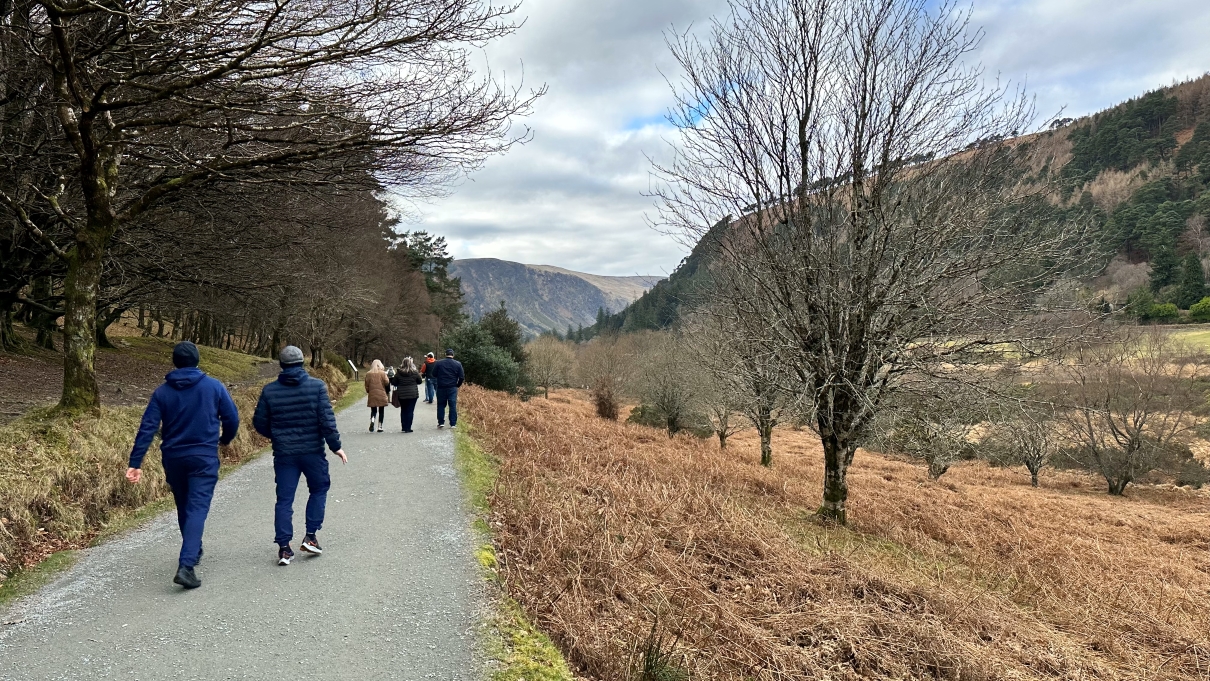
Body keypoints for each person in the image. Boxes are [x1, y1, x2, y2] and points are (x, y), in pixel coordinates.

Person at [126, 341, 239, 590]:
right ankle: (186, 566)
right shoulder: (214, 387)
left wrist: (136, 462)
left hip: (174, 458)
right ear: (197, 360)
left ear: (175, 363)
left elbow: (148, 427)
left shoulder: (162, 393)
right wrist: (225, 439)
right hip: (203, 457)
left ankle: (193, 548)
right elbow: (232, 417)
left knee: (184, 505)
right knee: (197, 508)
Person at [253, 346, 347, 566]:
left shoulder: (270, 391)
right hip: (313, 452)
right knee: (319, 489)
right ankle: (310, 536)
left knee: (284, 499)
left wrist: (276, 435)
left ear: (282, 366)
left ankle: (285, 549)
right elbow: (327, 421)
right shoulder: (317, 387)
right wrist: (336, 447)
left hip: (284, 454)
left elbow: (259, 422)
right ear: (301, 364)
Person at [427, 348, 465, 429]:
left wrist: (440, 377)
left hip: (441, 387)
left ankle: (441, 422)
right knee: (452, 405)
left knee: (441, 405)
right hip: (452, 387)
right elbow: (461, 377)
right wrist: (457, 385)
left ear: (445, 354)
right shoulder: (458, 364)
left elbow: (433, 374)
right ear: (453, 355)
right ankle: (453, 423)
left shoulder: (439, 363)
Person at [390, 357, 423, 432]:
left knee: (403, 410)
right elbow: (420, 381)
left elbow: (394, 382)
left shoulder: (399, 373)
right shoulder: (415, 372)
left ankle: (404, 426)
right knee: (410, 410)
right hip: (413, 394)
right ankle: (408, 427)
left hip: (402, 394)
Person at [364, 359, 391, 432]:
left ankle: (372, 421)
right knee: (381, 410)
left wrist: (368, 391)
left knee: (373, 410)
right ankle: (380, 426)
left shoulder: (368, 374)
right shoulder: (382, 373)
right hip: (381, 393)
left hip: (372, 394)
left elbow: (366, 385)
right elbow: (387, 382)